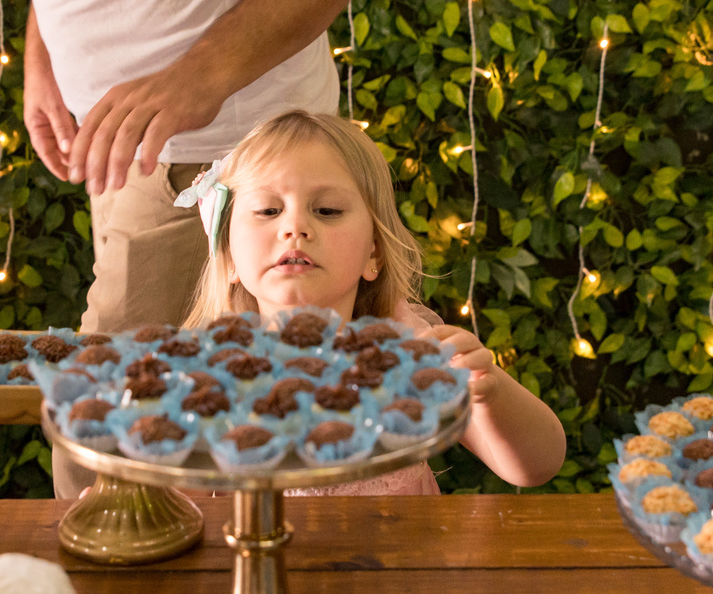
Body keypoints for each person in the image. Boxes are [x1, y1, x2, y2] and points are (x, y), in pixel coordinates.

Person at [181, 111, 567, 493]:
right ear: (228, 256)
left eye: (327, 210)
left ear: (374, 254)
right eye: (268, 210)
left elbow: (536, 467)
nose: (294, 227)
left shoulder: (409, 352)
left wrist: (491, 391)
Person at [24, 0, 349, 332]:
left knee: (114, 371)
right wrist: (41, 54)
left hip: (213, 155)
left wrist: (202, 71)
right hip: (117, 144)